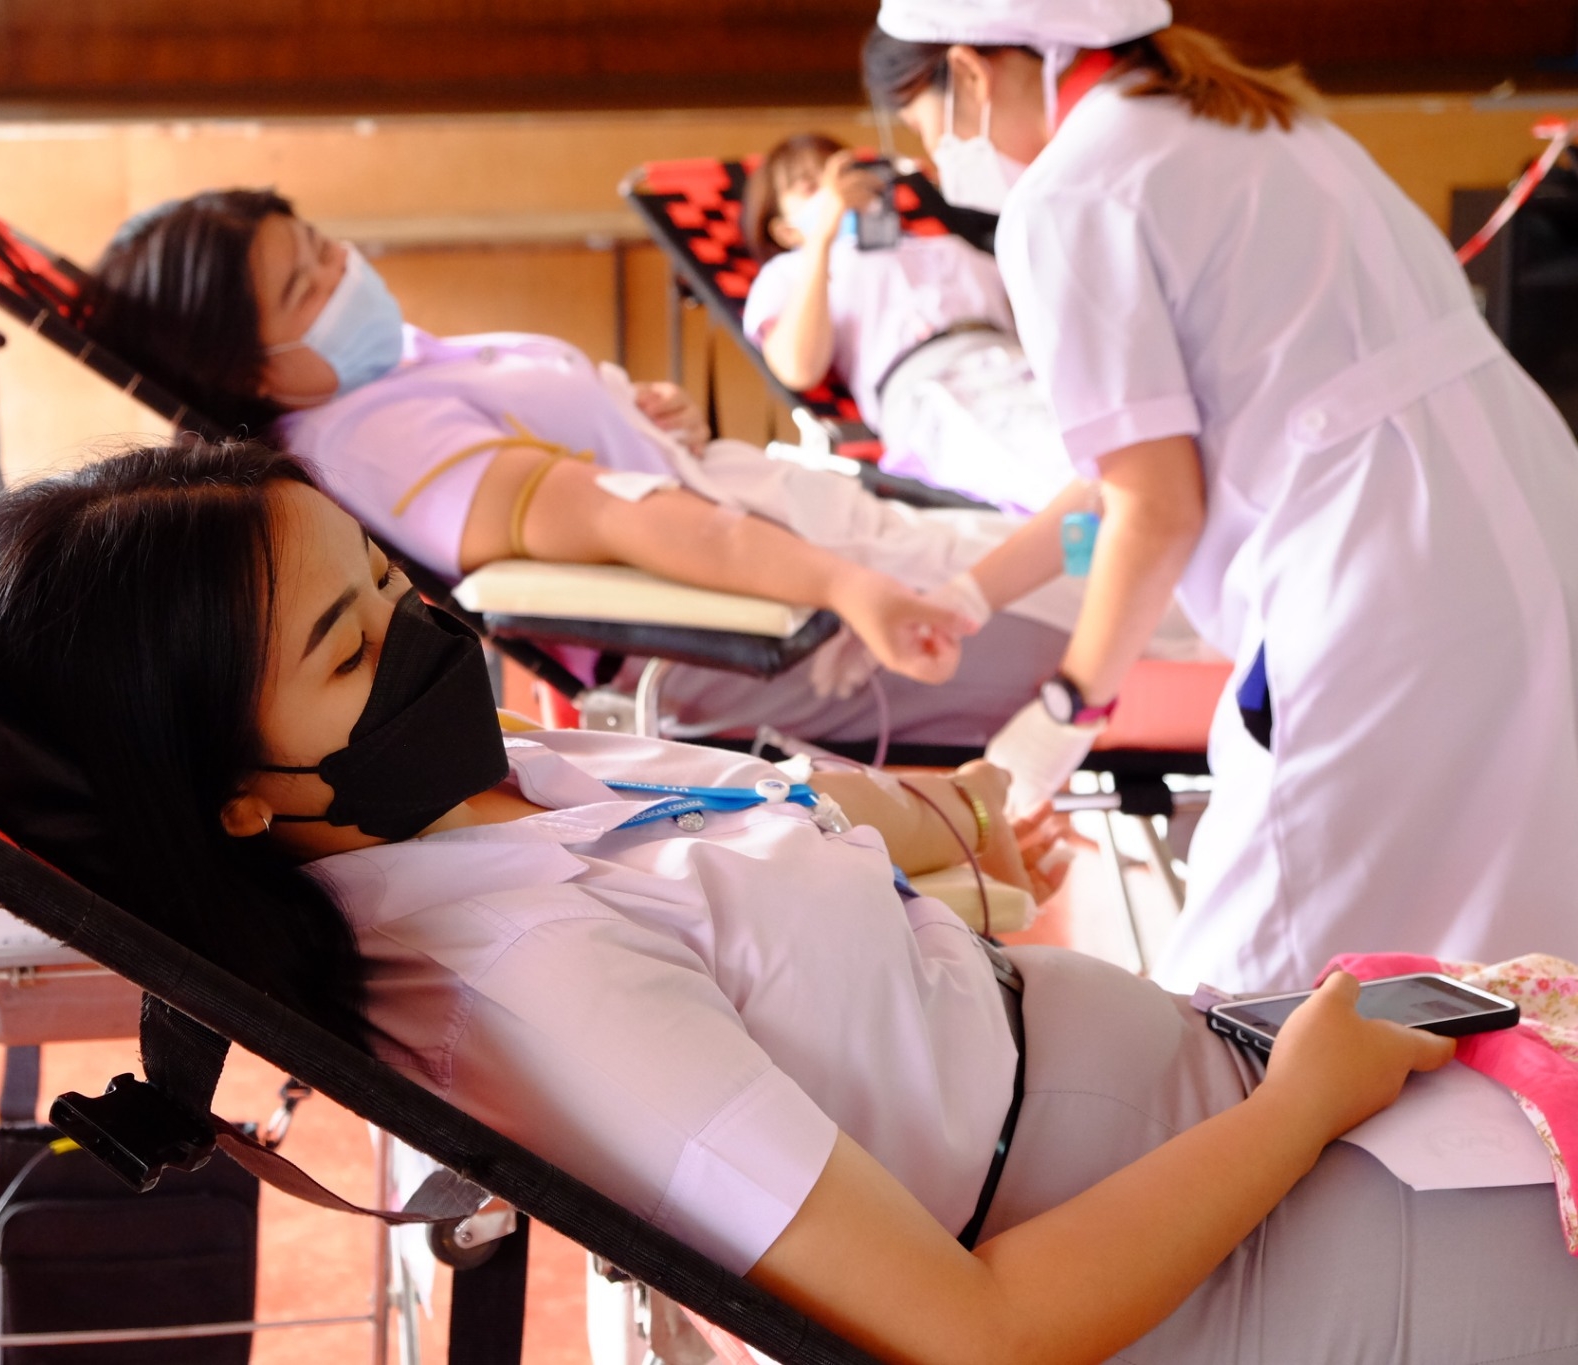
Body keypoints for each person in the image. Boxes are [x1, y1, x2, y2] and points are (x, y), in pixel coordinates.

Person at [0, 439, 1578, 1365]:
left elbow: (736, 819)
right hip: (1232, 1282)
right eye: (352, 648)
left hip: (1211, 1116)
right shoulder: (532, 988)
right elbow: (973, 1342)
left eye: (386, 580)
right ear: (235, 795)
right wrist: (1299, 1105)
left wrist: (932, 827)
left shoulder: (488, 791)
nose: (428, 630)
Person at [868, 0, 1578, 992]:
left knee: (1246, 1003)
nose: (945, 165)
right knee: (1516, 963)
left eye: (926, 132)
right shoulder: (1268, 122)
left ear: (969, 75)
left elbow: (1154, 509)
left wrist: (1054, 722)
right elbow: (1135, 468)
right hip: (1526, 517)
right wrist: (969, 596)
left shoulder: (1069, 196)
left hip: (1374, 583)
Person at [82, 190, 1203, 748]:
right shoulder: (372, 441)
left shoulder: (380, 381)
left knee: (1128, 535)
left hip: (804, 543)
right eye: (304, 288)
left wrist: (634, 414)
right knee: (1156, 595)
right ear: (252, 370)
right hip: (784, 628)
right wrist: (844, 592)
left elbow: (594, 466)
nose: (344, 274)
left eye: (324, 247)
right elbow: (629, 523)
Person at [742, 131, 1077, 514]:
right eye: (811, 187)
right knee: (1058, 470)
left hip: (1025, 367)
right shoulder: (790, 273)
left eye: (848, 176)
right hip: (935, 392)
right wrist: (821, 238)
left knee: (1118, 449)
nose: (839, 192)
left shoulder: (946, 246)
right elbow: (798, 367)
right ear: (786, 230)